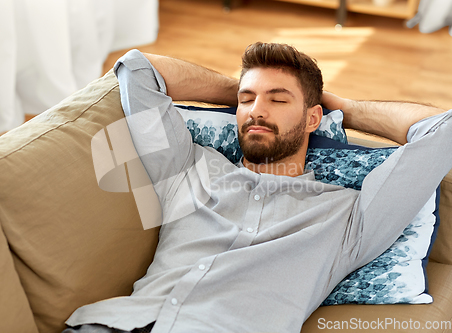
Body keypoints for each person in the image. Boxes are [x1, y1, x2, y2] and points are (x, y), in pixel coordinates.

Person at [65, 42, 452, 333]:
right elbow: (137, 69)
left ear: (313, 117)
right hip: (110, 325)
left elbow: (443, 132)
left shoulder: (349, 218)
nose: (256, 111)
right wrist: (238, 92)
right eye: (247, 100)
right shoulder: (188, 166)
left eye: (278, 99)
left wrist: (341, 107)